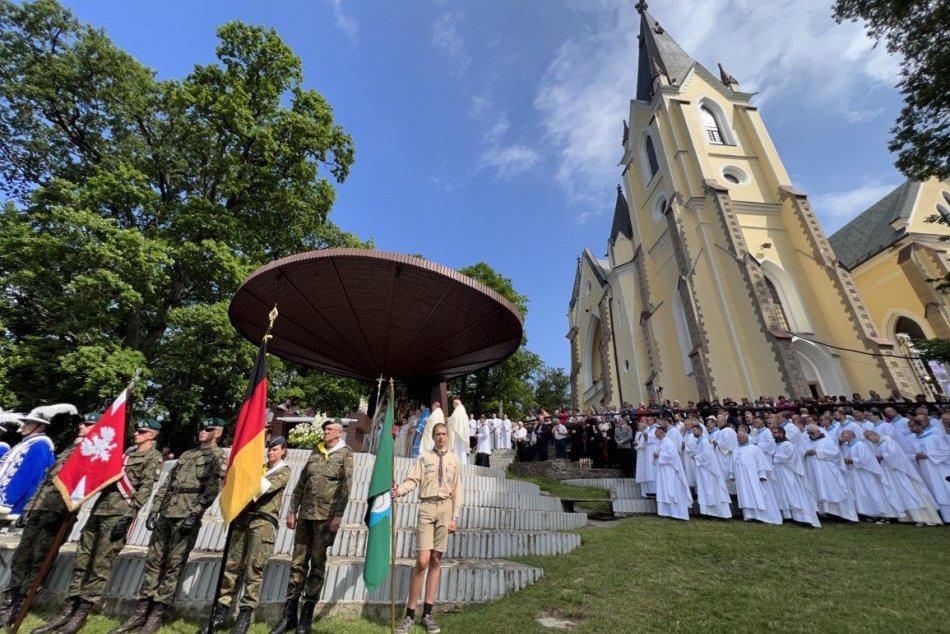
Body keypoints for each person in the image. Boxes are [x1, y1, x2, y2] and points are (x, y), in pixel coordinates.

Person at [35, 418, 163, 634]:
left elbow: (145, 488)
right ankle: (68, 609)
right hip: (99, 508)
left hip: (119, 512)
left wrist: (130, 515)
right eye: (137, 430)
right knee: (82, 560)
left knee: (100, 565)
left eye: (142, 431)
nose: (136, 434)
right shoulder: (125, 454)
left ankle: (82, 612)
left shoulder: (153, 457)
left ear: (152, 435)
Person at [110, 418, 225, 634]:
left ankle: (157, 613)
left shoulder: (218, 457)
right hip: (167, 512)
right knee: (154, 560)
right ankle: (141, 611)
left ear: (218, 433)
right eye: (201, 427)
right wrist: (155, 508)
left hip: (186, 514)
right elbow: (167, 483)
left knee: (173, 564)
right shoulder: (188, 454)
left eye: (209, 429)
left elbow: (211, 489)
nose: (202, 431)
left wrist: (196, 513)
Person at [0, 405, 85, 625]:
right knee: (22, 555)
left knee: (39, 557)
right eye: (82, 424)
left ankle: (22, 602)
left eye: (87, 425)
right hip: (40, 506)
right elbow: (46, 480)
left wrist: (64, 510)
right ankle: (9, 598)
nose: (82, 427)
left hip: (57, 510)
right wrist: (29, 508)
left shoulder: (89, 453)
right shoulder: (67, 450)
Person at [270, 419, 352, 634]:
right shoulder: (315, 451)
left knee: (317, 564)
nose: (325, 432)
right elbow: (301, 482)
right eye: (324, 429)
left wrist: (338, 515)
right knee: (297, 563)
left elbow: (346, 486)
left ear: (339, 434)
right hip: (305, 515)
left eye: (329, 429)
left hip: (325, 518)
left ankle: (306, 616)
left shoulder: (345, 454)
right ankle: (289, 616)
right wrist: (292, 510)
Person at [205, 436, 291, 634]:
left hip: (262, 523)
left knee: (254, 570)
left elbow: (261, 489)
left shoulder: (283, 471)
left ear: (283, 451)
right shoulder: (258, 468)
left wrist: (245, 477)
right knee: (231, 566)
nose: (271, 452)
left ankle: (244, 616)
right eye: (269, 449)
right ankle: (220, 613)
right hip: (242, 520)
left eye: (275, 449)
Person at [393, 423, 463, 634]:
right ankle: (409, 614)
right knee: (422, 560)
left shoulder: (453, 459)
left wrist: (455, 516)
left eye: (444, 434)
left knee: (435, 560)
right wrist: (399, 491)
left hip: (445, 508)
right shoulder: (424, 458)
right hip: (426, 506)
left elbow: (457, 488)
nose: (441, 437)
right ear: (433, 437)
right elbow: (412, 480)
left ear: (447, 436)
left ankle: (427, 613)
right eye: (437, 434)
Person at [865, 430, 941, 526]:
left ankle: (922, 517)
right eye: (867, 438)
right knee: (896, 494)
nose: (869, 439)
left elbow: (894, 455)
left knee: (908, 492)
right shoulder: (878, 445)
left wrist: (882, 456)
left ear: (874, 434)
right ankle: (904, 516)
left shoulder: (889, 442)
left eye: (869, 437)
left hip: (898, 472)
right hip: (889, 473)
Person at [0, 407, 57, 521]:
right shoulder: (27, 443)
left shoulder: (39, 444)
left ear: (41, 426)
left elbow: (26, 475)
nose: (23, 426)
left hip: (8, 501)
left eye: (28, 423)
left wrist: (7, 501)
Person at [802, 424, 858, 522]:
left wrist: (817, 452)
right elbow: (801, 452)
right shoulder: (807, 442)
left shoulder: (827, 440)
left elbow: (835, 453)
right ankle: (823, 512)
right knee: (818, 490)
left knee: (832, 490)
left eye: (812, 433)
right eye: (809, 433)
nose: (810, 435)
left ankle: (842, 514)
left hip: (827, 471)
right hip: (813, 472)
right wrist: (805, 453)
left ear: (818, 432)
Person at [839, 430, 896, 523]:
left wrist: (852, 460)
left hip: (863, 474)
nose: (841, 436)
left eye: (843, 434)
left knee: (869, 493)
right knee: (859, 494)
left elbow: (865, 459)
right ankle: (865, 513)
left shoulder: (859, 445)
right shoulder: (847, 446)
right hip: (853, 474)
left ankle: (880, 514)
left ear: (850, 435)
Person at [770, 426, 820, 528]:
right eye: (773, 433)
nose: (774, 435)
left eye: (775, 433)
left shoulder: (788, 444)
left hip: (789, 473)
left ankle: (803, 517)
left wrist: (775, 457)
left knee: (794, 494)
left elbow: (790, 458)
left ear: (781, 433)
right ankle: (789, 515)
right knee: (784, 494)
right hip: (780, 473)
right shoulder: (777, 444)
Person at [731, 430, 783, 525]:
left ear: (746, 438)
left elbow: (761, 463)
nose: (739, 439)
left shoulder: (754, 449)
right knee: (745, 495)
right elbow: (732, 463)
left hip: (753, 478)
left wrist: (762, 475)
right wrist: (732, 474)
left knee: (756, 495)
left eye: (741, 438)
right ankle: (749, 515)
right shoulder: (736, 449)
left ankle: (760, 516)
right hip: (741, 478)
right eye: (737, 438)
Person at [909, 415, 950, 522]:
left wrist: (928, 455)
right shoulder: (912, 439)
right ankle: (939, 517)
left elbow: (945, 451)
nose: (910, 429)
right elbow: (907, 454)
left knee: (942, 490)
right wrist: (915, 456)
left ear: (919, 426)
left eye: (913, 426)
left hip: (937, 469)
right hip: (923, 469)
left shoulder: (934, 437)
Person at [690, 424, 731, 519]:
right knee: (705, 489)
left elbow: (706, 455)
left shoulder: (704, 441)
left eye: (695, 431)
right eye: (693, 431)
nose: (693, 433)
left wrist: (696, 457)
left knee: (711, 489)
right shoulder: (699, 442)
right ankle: (708, 512)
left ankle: (716, 512)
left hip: (707, 470)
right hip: (703, 469)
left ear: (700, 431)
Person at [653, 426, 691, 521]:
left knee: (673, 490)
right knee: (665, 490)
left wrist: (659, 455)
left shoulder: (669, 443)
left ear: (661, 432)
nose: (655, 434)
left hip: (670, 470)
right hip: (663, 470)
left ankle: (679, 514)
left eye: (656, 432)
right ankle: (667, 512)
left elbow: (671, 456)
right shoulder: (660, 443)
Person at [445, 398, 469, 465]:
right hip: (461, 433)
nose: (453, 406)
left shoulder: (459, 409)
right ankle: (462, 463)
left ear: (456, 403)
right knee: (461, 450)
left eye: (453, 404)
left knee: (457, 449)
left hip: (457, 433)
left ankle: (457, 463)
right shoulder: (463, 411)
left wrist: (448, 419)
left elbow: (454, 419)